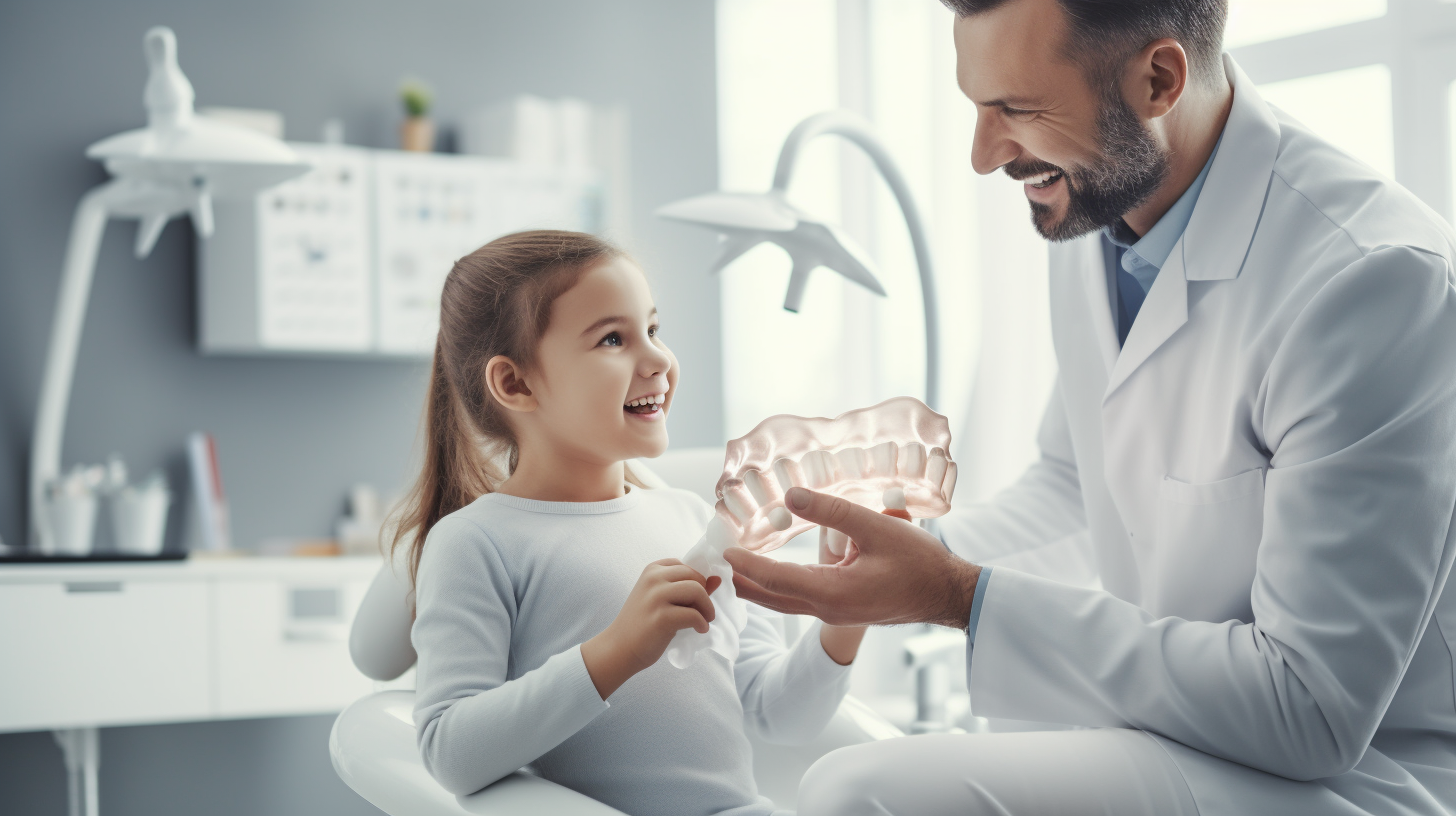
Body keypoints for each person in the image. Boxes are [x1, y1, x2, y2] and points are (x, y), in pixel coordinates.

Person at [724, 1, 1456, 814]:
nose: (982, 153)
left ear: (1158, 79)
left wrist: (955, 595)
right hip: (1191, 736)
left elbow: (1310, 711)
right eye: (975, 105)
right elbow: (1074, 486)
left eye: (1019, 110)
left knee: (860, 792)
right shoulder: (1098, 212)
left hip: (1361, 776)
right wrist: (903, 557)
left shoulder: (1371, 282)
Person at [395, 230, 865, 816]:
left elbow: (781, 714)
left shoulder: (693, 521)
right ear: (515, 383)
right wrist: (615, 651)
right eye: (613, 339)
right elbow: (450, 752)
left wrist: (843, 616)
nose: (658, 360)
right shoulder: (477, 543)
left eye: (653, 330)